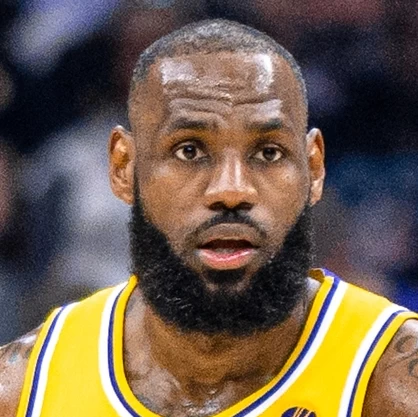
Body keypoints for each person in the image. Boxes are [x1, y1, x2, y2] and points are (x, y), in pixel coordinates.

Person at [1, 19, 418, 417]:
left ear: (314, 168)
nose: (231, 190)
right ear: (124, 167)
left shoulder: (395, 384)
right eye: (189, 151)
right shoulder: (20, 390)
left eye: (268, 152)